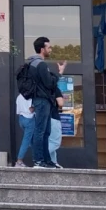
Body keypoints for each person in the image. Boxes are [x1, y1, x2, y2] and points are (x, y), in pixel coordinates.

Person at [25, 37, 66, 169]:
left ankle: (47, 161)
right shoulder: (40, 64)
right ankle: (39, 160)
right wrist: (57, 75)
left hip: (41, 100)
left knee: (46, 132)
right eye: (49, 47)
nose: (50, 49)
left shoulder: (33, 64)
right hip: (42, 101)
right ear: (42, 49)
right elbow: (49, 83)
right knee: (41, 131)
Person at [15, 92, 35, 167]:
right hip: (29, 118)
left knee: (31, 139)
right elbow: (31, 109)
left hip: (21, 119)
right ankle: (19, 161)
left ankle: (36, 159)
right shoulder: (30, 96)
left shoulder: (19, 96)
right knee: (27, 140)